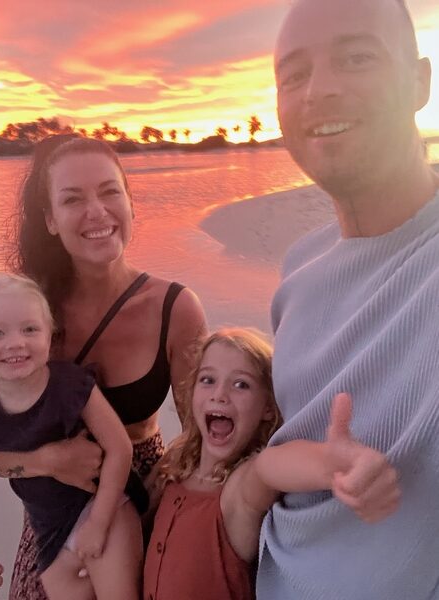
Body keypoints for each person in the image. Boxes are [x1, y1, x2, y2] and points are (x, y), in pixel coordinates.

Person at [0, 135, 207, 599]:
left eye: (109, 191)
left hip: (145, 491)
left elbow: (200, 439)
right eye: (72, 199)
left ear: (129, 202)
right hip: (50, 508)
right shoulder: (20, 318)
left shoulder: (174, 308)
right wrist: (43, 461)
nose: (96, 211)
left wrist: (166, 505)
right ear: (49, 219)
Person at [257, 1, 439, 598]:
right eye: (294, 75)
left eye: (357, 58)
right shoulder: (297, 270)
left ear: (419, 82)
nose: (319, 92)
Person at [143, 328, 400, 600]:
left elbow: (269, 468)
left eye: (241, 384)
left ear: (267, 407)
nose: (219, 394)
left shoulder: (237, 493)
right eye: (207, 380)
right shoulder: (173, 467)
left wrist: (332, 464)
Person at [0, 273, 139, 600]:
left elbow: (119, 448)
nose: (16, 342)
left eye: (30, 329)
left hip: (104, 506)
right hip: (49, 534)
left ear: (49, 335)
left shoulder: (71, 385)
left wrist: (99, 523)